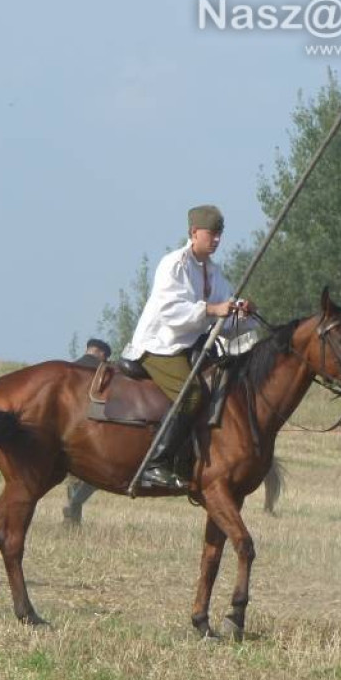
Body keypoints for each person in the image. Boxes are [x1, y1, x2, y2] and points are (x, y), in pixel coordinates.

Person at [122, 205, 255, 489]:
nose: (217, 239)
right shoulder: (174, 264)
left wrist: (241, 314)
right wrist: (213, 309)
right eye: (212, 233)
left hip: (189, 346)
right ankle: (155, 464)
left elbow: (224, 320)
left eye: (220, 234)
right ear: (194, 232)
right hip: (159, 345)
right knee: (191, 394)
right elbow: (171, 312)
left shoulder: (214, 272)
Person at [62, 338, 112, 524]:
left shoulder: (68, 369)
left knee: (71, 473)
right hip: (94, 430)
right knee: (98, 475)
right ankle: (74, 505)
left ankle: (73, 517)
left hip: (66, 428)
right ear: (102, 354)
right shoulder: (104, 371)